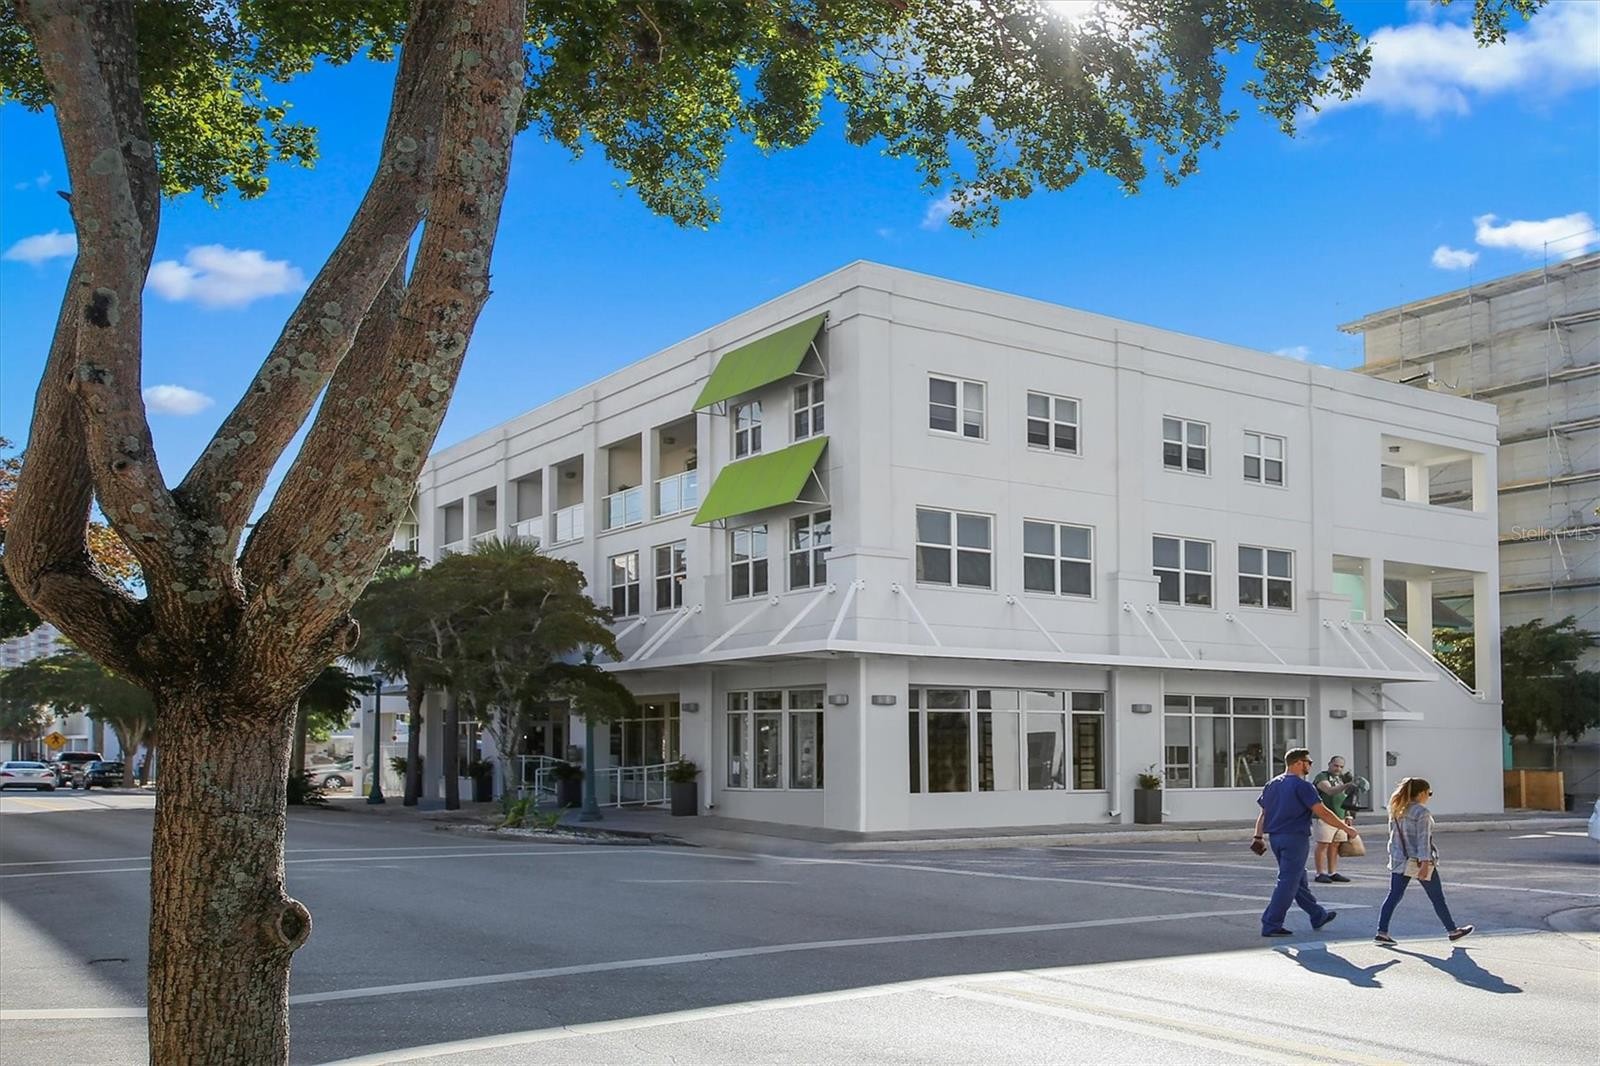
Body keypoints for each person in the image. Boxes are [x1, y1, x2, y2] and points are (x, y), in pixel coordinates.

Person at [1252, 747, 1362, 937]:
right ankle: (1271, 923)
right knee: (1288, 881)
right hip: (1295, 838)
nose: (1310, 765)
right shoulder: (1303, 786)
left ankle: (1317, 915)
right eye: (1308, 762)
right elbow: (1322, 812)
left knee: (1298, 879)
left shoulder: (1272, 784)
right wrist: (1346, 828)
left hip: (1276, 838)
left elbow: (1264, 813)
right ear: (1297, 763)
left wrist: (1258, 837)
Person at [1374, 777, 1473, 945]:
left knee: (1394, 895)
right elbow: (1423, 840)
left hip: (1399, 860)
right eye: (1429, 793)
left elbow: (1393, 838)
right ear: (1421, 793)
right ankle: (1452, 931)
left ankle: (1381, 933)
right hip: (1419, 861)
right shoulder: (1422, 812)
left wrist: (1396, 856)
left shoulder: (1397, 809)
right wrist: (1425, 863)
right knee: (1437, 897)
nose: (1429, 796)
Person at [1312, 756, 1357, 884]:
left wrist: (1348, 815)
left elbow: (1345, 798)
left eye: (1341, 767)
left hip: (1340, 816)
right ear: (1329, 764)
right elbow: (1330, 791)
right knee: (1323, 844)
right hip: (1323, 817)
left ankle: (1332, 872)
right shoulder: (1322, 777)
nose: (1338, 769)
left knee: (1335, 845)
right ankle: (1320, 873)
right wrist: (1347, 785)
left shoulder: (1340, 779)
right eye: (1336, 765)